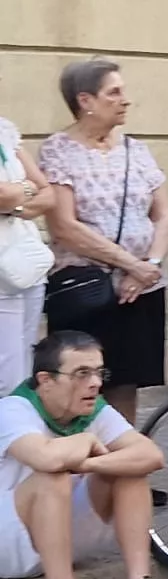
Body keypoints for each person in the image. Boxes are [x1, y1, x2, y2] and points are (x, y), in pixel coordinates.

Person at [1, 332, 168, 579]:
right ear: (46, 380)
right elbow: (45, 459)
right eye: (81, 374)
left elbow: (151, 455)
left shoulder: (91, 407)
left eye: (99, 372)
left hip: (62, 536)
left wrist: (88, 463)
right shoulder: (14, 409)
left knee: (129, 469)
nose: (95, 383)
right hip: (10, 545)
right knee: (52, 476)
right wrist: (85, 440)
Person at [38, 60, 168, 426]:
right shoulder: (58, 151)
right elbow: (65, 226)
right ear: (86, 100)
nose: (125, 100)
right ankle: (79, 472)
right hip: (88, 288)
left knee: (126, 381)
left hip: (142, 286)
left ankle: (120, 473)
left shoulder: (137, 150)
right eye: (114, 92)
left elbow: (164, 216)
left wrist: (151, 266)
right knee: (80, 382)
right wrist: (131, 264)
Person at [0, 112, 55, 388]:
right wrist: (26, 188)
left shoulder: (5, 130)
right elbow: (3, 194)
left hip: (25, 263)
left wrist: (17, 205)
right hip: (1, 276)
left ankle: (18, 429)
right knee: (6, 375)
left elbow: (48, 193)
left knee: (25, 370)